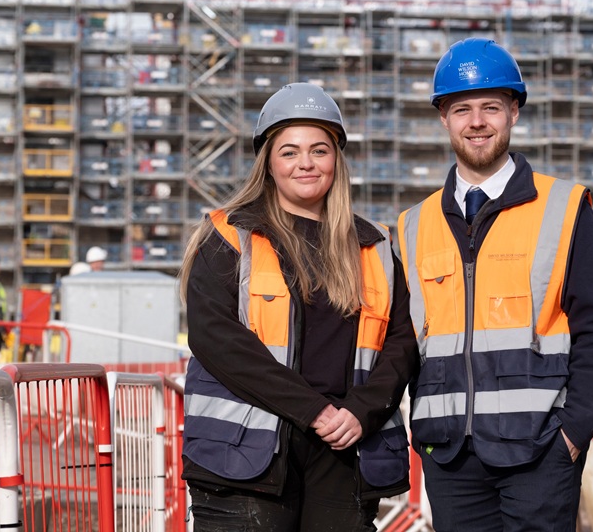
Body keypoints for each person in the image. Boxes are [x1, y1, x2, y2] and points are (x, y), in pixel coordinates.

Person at [397, 38, 593, 531]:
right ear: (444, 119)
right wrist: (421, 433)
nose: (476, 122)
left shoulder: (563, 209)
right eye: (462, 109)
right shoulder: (413, 225)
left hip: (540, 449)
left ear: (513, 112)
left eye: (490, 107)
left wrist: (573, 431)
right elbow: (406, 341)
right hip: (450, 455)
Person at [177, 82, 419, 531]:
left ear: (337, 160)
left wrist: (360, 412)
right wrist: (315, 411)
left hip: (345, 452)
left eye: (319, 150)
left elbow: (402, 341)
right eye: (289, 152)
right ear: (268, 163)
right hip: (245, 455)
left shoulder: (377, 246)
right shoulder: (229, 237)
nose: (305, 163)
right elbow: (217, 339)